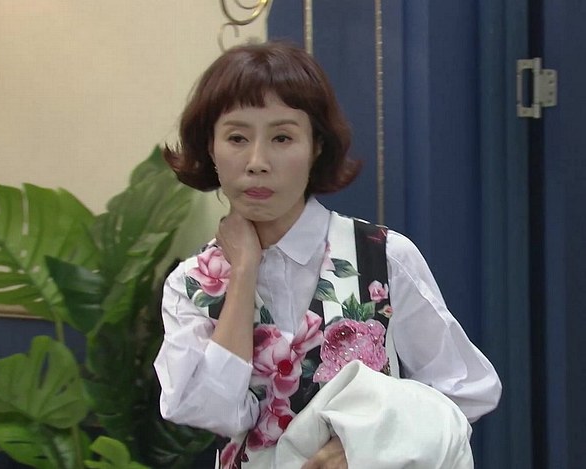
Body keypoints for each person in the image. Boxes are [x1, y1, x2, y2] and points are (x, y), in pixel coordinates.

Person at [154, 41, 501, 469]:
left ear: (316, 145)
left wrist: (370, 443)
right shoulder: (192, 283)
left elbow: (467, 390)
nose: (257, 161)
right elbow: (212, 411)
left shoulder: (383, 257)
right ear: (210, 147)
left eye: (282, 137)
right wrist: (243, 273)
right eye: (237, 138)